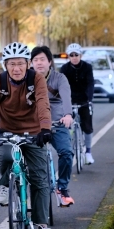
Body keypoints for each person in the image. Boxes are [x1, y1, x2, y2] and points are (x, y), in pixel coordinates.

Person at [0, 41, 53, 229]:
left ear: (28, 64)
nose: (16, 68)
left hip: (34, 133)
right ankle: (5, 184)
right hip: (7, 132)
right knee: (4, 156)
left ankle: (41, 227)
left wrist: (45, 128)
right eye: (11, 64)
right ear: (5, 65)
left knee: (39, 178)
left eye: (20, 63)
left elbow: (43, 103)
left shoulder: (36, 79)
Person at [31, 45, 74, 207]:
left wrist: (68, 114)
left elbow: (66, 96)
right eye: (35, 60)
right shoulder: (28, 79)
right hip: (35, 125)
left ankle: (62, 187)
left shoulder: (59, 78)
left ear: (50, 62)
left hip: (57, 122)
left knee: (66, 153)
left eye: (42, 59)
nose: (39, 63)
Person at [60, 43, 95, 164]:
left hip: (84, 100)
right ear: (68, 56)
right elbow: (62, 86)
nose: (74, 57)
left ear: (81, 55)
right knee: (66, 125)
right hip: (69, 100)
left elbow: (91, 84)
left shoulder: (87, 67)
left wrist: (89, 100)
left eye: (76, 55)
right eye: (71, 55)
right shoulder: (64, 69)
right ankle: (69, 148)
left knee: (87, 126)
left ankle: (88, 152)